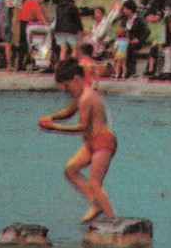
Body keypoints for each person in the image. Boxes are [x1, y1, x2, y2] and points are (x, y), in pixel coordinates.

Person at [37, 58, 118, 222]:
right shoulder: (80, 97)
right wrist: (52, 117)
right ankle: (96, 204)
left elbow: (83, 126)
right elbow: (68, 111)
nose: (66, 90)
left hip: (103, 142)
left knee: (95, 183)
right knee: (70, 170)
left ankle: (112, 220)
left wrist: (56, 129)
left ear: (76, 79)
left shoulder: (88, 97)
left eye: (67, 86)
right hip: (91, 143)